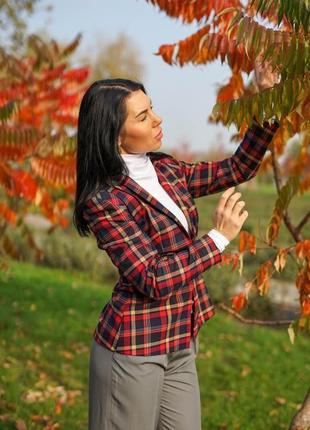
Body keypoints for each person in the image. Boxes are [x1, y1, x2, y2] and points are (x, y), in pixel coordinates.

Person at [73, 73, 280, 429]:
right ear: (115, 136)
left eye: (151, 109)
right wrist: (217, 238)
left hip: (181, 339)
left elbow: (237, 167)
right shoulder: (105, 199)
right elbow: (151, 277)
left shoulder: (167, 169)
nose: (157, 119)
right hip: (134, 348)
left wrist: (268, 102)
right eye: (142, 117)